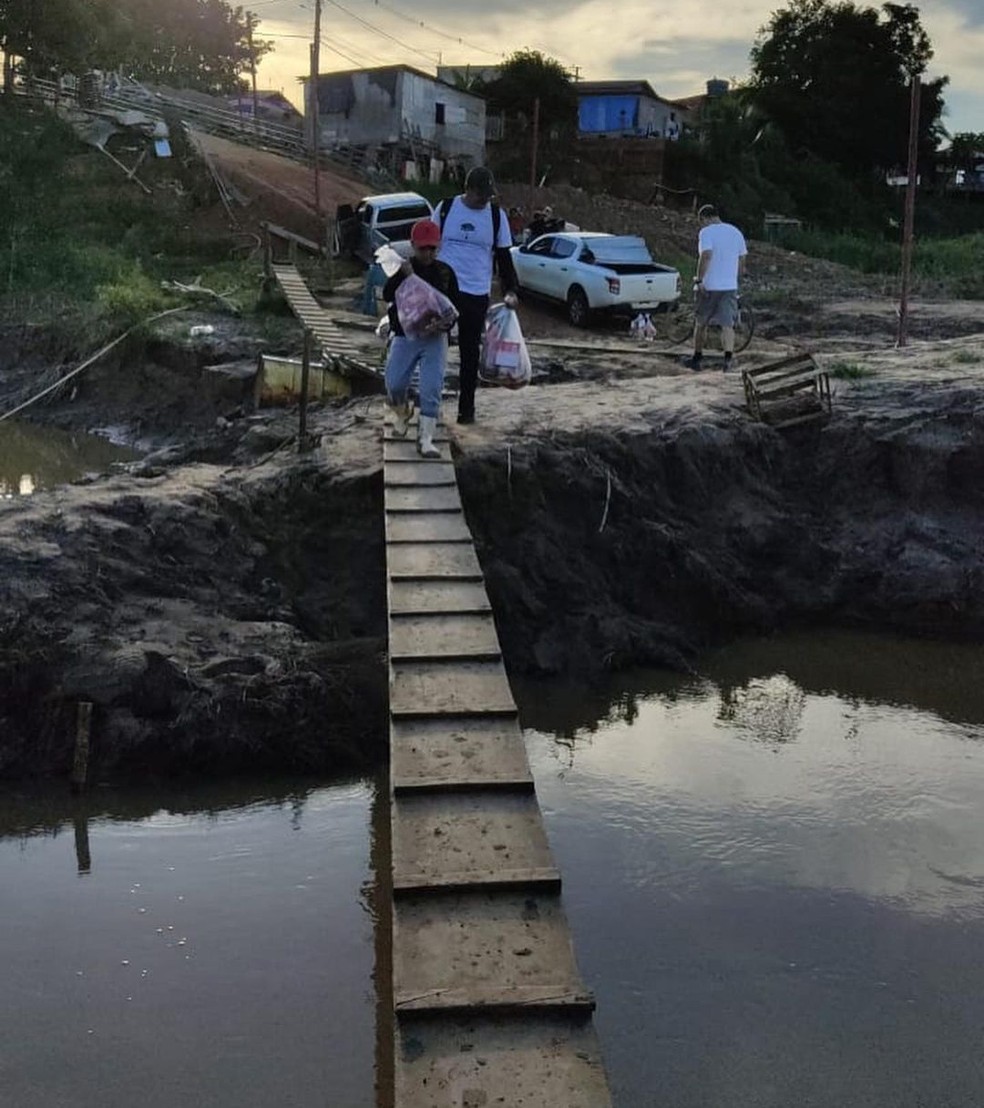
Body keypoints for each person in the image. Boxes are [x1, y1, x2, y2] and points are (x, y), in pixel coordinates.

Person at [433, 165, 518, 424]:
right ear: (468, 190)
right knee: (434, 350)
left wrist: (511, 290)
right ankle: (431, 410)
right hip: (445, 291)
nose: (485, 200)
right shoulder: (446, 209)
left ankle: (466, 410)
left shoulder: (495, 216)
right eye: (481, 194)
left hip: (476, 292)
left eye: (488, 196)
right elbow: (426, 246)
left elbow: (504, 257)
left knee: (470, 354)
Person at [383, 219, 459, 458]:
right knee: (394, 382)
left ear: (439, 247)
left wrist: (449, 323)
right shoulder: (402, 269)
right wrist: (402, 276)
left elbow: (454, 305)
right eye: (422, 248)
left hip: (434, 338)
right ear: (413, 245)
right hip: (406, 336)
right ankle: (402, 410)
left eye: (432, 248)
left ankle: (425, 438)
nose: (427, 253)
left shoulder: (445, 273)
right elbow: (387, 295)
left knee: (432, 387)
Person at [685, 203, 748, 372]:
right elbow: (742, 262)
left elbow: (706, 256)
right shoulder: (736, 232)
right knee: (727, 324)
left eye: (701, 222)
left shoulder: (706, 232)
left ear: (705, 218)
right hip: (729, 286)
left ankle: (697, 358)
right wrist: (735, 280)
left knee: (701, 322)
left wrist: (699, 280)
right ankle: (728, 360)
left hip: (709, 286)